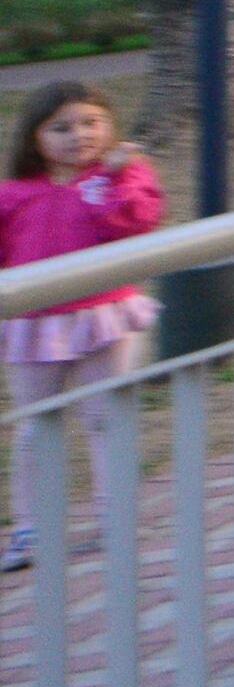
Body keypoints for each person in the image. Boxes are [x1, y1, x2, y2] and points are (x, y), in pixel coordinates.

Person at [0, 85, 167, 568]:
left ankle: (116, 520)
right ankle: (31, 528)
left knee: (106, 418)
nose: (79, 135)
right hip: (33, 323)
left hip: (105, 314)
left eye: (91, 122)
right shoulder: (13, 194)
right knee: (38, 423)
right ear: (34, 137)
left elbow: (137, 222)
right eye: (62, 127)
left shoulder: (120, 178)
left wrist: (123, 175)